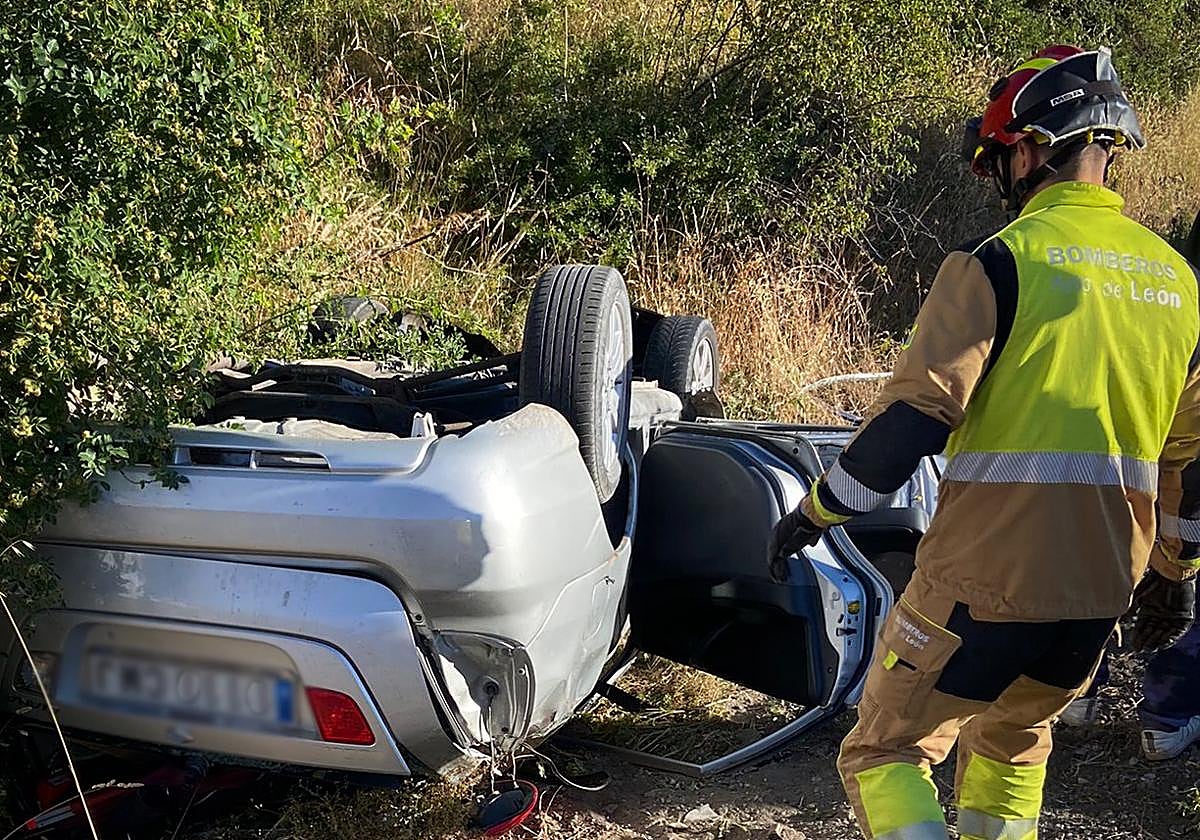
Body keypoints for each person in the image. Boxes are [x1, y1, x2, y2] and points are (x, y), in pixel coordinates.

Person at [769, 45, 1200, 840]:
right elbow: (1189, 466)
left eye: (1000, 157)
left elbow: (910, 425)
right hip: (1097, 596)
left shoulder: (998, 263)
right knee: (1013, 742)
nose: (999, 176)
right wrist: (1175, 574)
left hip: (981, 585)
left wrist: (817, 513)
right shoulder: (1179, 284)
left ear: (1033, 148)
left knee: (884, 750)